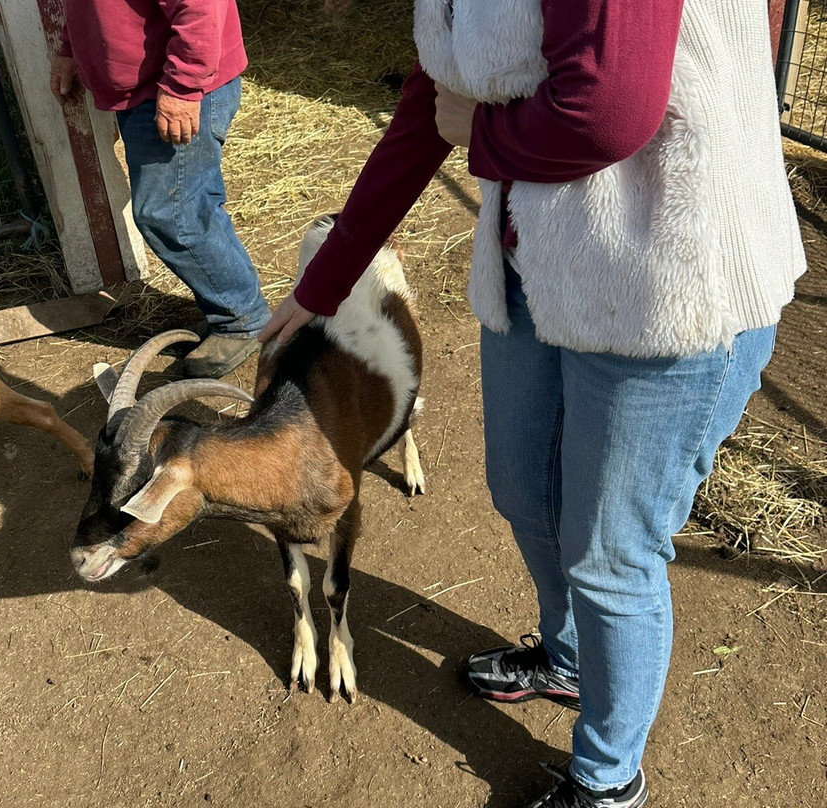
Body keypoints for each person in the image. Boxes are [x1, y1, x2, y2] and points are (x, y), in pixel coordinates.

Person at [259, 2, 805, 806]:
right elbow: (434, 96)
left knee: (613, 553)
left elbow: (609, 112)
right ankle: (571, 654)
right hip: (542, 261)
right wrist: (332, 273)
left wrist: (480, 132)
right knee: (521, 486)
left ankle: (607, 781)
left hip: (669, 280)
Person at [52, 0, 270, 378]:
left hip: (174, 87)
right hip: (151, 87)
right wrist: (71, 49)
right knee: (192, 205)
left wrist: (183, 87)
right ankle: (228, 309)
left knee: (170, 213)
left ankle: (241, 319)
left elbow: (201, 7)